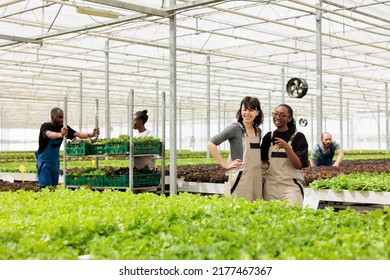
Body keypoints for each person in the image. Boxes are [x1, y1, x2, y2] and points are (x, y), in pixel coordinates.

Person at [207, 96, 264, 201]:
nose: (247, 113)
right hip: (239, 177)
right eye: (244, 109)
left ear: (257, 112)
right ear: (240, 111)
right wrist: (225, 165)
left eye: (251, 110)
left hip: (255, 177)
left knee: (255, 209)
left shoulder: (258, 131)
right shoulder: (235, 128)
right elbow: (211, 144)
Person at [36, 107, 99, 188]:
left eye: (63, 117)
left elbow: (79, 134)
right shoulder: (45, 126)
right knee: (45, 188)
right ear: (52, 117)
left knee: (54, 187)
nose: (62, 120)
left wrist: (91, 134)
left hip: (55, 163)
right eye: (59, 117)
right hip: (44, 164)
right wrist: (61, 134)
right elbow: (50, 134)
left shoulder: (63, 127)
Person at [260, 104, 308, 206]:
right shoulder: (269, 137)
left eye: (282, 115)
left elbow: (298, 165)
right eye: (276, 114)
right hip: (270, 187)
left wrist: (287, 148)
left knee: (292, 216)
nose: (278, 117)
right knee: (271, 218)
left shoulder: (298, 137)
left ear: (289, 118)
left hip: (290, 186)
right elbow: (263, 159)